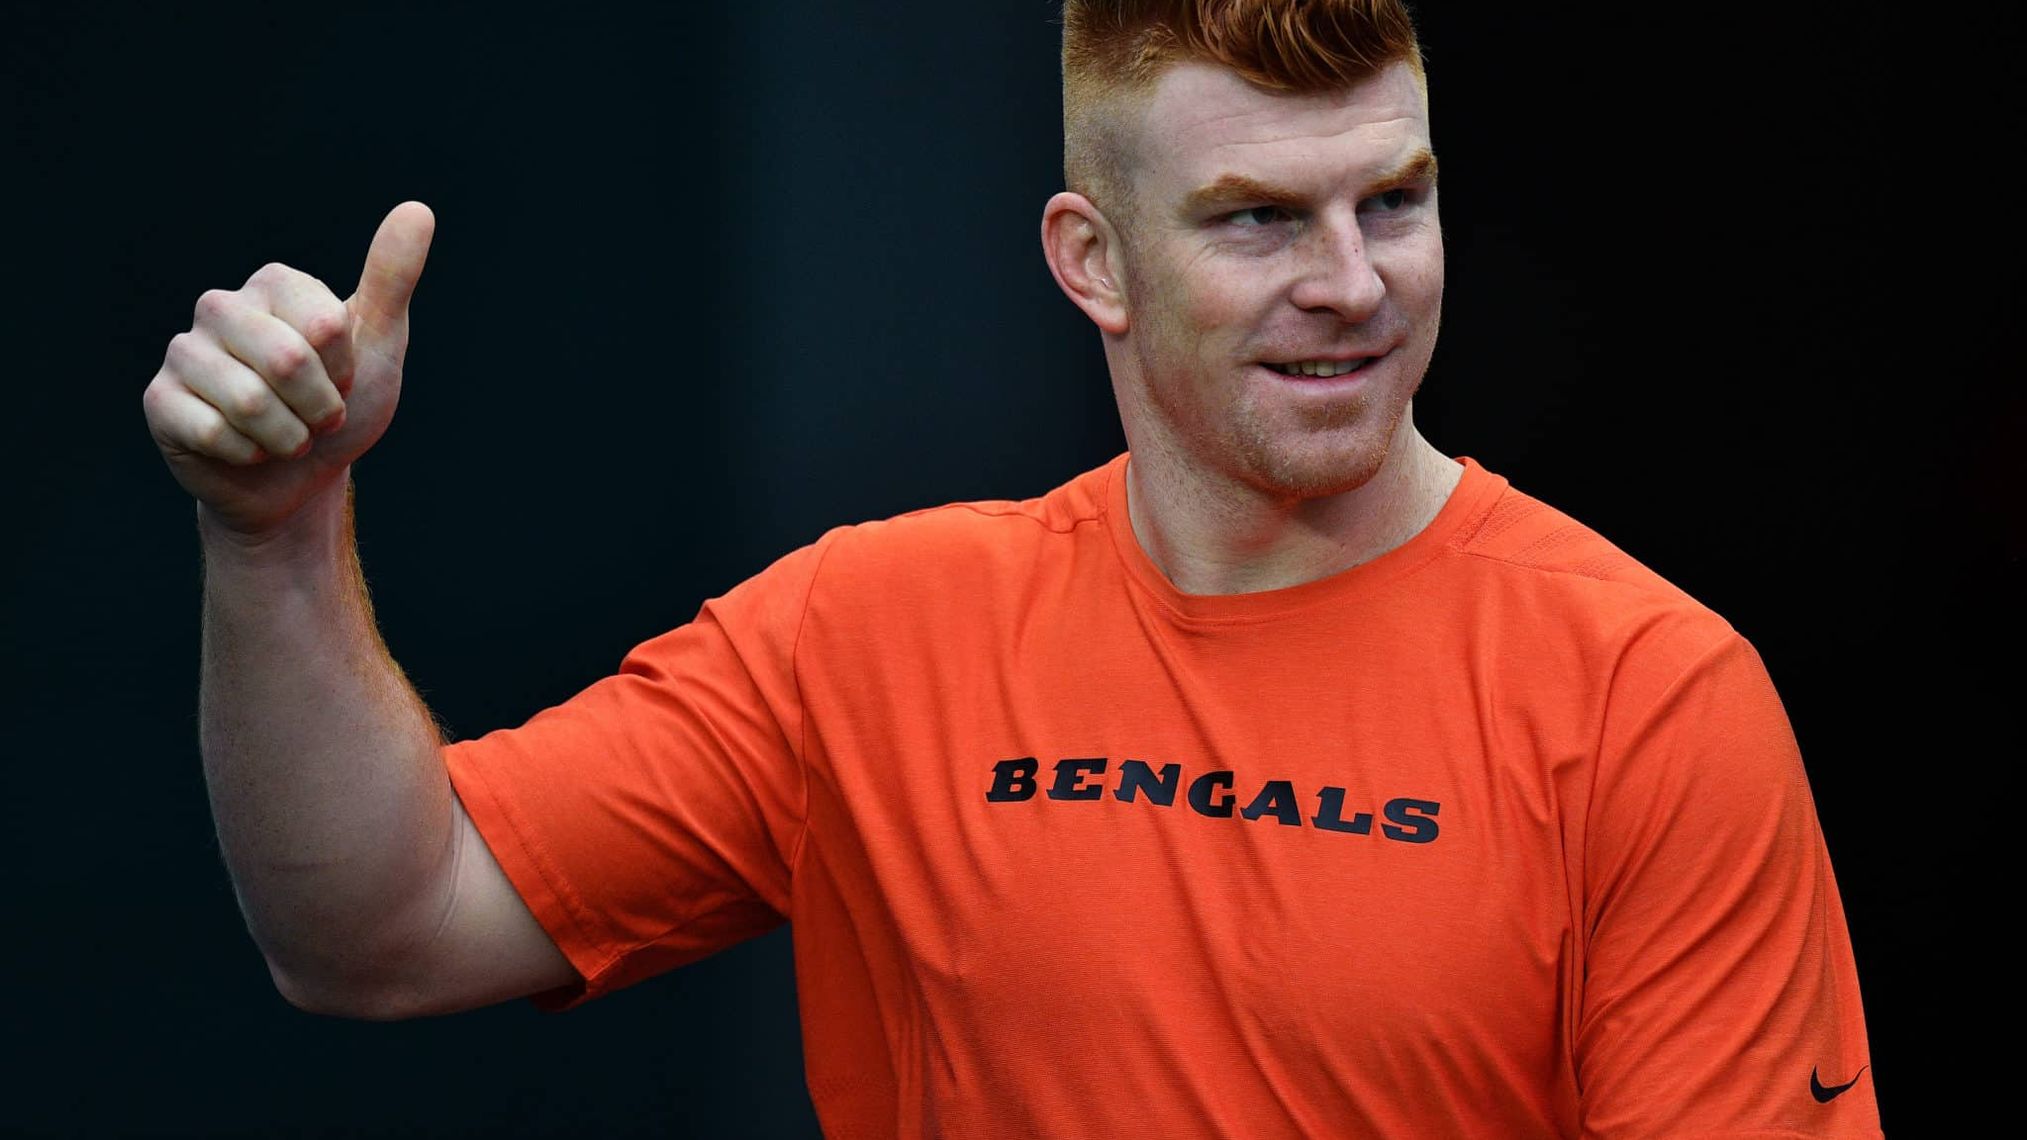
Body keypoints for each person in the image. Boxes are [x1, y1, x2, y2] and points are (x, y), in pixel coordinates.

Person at [141, 1, 1883, 1136]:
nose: (1353, 280)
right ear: (1093, 259)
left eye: (1395, 202)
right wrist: (273, 530)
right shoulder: (875, 631)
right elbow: (371, 926)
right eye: (1260, 217)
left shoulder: (1648, 695)